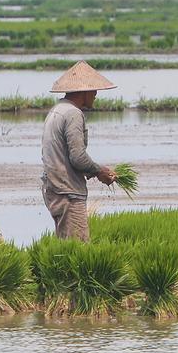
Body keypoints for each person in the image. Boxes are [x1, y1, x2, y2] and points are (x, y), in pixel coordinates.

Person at [41, 61, 117, 241]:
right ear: (84, 92)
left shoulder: (57, 110)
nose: (96, 95)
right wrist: (100, 171)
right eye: (94, 91)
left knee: (66, 249)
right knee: (78, 251)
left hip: (54, 188)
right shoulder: (73, 114)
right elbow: (78, 157)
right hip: (68, 192)